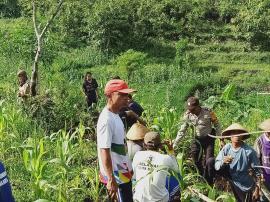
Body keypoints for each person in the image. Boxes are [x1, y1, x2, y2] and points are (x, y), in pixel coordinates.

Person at [97, 79, 135, 202]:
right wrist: (110, 179)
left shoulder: (115, 114)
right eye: (121, 94)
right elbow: (104, 151)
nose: (126, 98)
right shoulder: (106, 120)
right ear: (109, 96)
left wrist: (129, 167)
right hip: (116, 176)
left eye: (126, 95)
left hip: (123, 172)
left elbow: (119, 145)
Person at [173, 96, 222, 185]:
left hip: (209, 138)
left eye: (193, 109)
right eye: (189, 109)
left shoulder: (209, 112)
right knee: (196, 160)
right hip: (196, 140)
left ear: (198, 106)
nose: (191, 111)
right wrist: (175, 143)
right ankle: (201, 176)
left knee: (209, 161)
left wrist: (220, 139)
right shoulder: (187, 115)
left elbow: (217, 124)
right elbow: (182, 130)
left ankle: (210, 180)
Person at [215, 123, 261, 202]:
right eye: (234, 133)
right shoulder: (227, 148)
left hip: (244, 185)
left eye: (239, 133)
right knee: (210, 161)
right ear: (230, 135)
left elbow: (258, 172)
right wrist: (223, 161)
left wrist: (257, 190)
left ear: (243, 136)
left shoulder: (249, 151)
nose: (237, 135)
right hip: (232, 178)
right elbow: (216, 165)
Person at [132, 131, 181, 202]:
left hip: (139, 199)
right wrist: (170, 150)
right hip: (160, 200)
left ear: (144, 144)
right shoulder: (165, 158)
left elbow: (134, 176)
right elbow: (177, 170)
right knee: (176, 179)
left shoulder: (137, 155)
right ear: (160, 146)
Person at [254, 119, 270, 200]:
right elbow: (256, 159)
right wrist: (259, 174)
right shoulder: (260, 141)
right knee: (264, 197)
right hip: (265, 175)